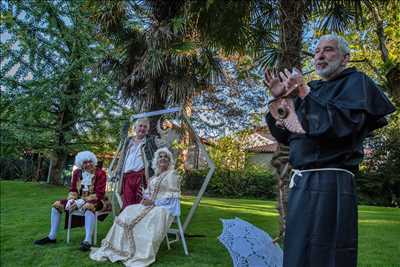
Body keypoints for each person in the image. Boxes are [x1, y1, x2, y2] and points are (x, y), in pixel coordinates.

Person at [264, 34, 395, 267]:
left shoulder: (357, 83)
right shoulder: (313, 88)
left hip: (331, 182)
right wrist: (280, 99)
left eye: (328, 50)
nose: (320, 56)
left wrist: (303, 92)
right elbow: (286, 132)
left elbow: (337, 126)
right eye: (316, 51)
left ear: (345, 58)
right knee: (297, 253)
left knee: (326, 254)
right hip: (301, 183)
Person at [90, 147, 181, 267]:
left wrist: (154, 203)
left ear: (169, 161)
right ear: (157, 161)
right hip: (150, 206)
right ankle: (119, 248)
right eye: (160, 157)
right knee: (128, 210)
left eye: (165, 157)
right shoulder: (155, 177)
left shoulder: (172, 175)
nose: (163, 159)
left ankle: (138, 251)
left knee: (148, 220)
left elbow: (173, 198)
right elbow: (149, 193)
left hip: (163, 209)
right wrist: (146, 198)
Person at [34, 151, 111, 251]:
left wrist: (82, 200)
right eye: (85, 162)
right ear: (80, 164)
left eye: (90, 161)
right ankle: (52, 237)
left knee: (88, 206)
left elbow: (99, 193)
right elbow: (73, 189)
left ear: (93, 161)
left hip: (98, 200)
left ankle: (87, 240)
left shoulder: (101, 173)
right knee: (56, 205)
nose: (88, 164)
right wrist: (71, 199)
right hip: (78, 199)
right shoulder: (77, 173)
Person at [115, 118, 163, 209]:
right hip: (127, 177)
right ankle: (128, 222)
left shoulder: (151, 140)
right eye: (140, 126)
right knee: (127, 205)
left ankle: (139, 222)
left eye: (145, 127)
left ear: (147, 130)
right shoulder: (128, 141)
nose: (142, 128)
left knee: (140, 204)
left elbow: (163, 144)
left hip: (141, 177)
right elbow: (121, 157)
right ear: (135, 128)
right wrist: (117, 170)